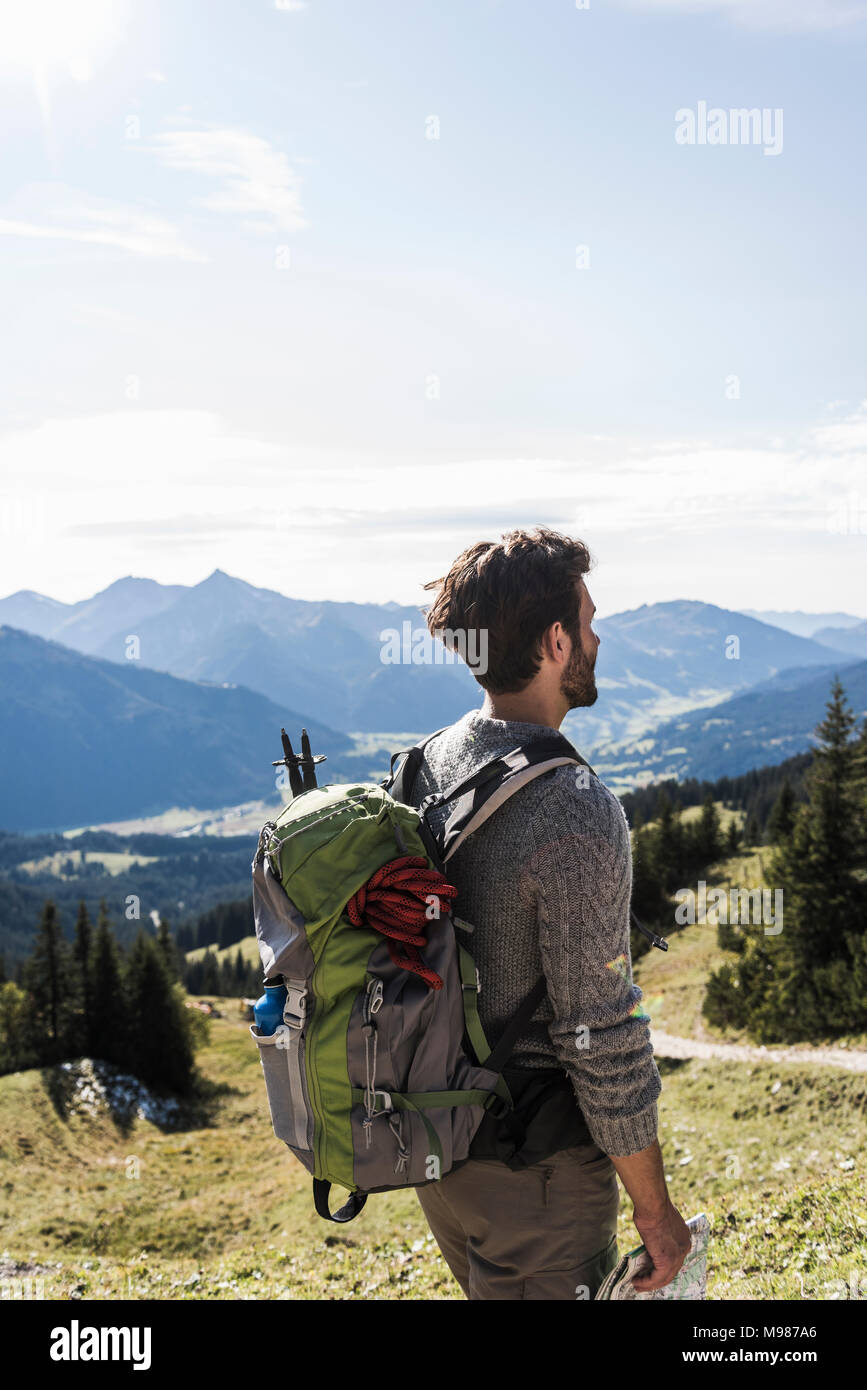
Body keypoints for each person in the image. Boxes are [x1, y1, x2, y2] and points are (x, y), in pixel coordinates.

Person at [408, 526, 691, 1300]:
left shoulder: (430, 761)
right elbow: (599, 1035)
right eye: (590, 621)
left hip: (443, 1152)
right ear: (557, 641)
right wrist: (656, 1214)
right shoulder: (573, 811)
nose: (598, 637)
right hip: (535, 1175)